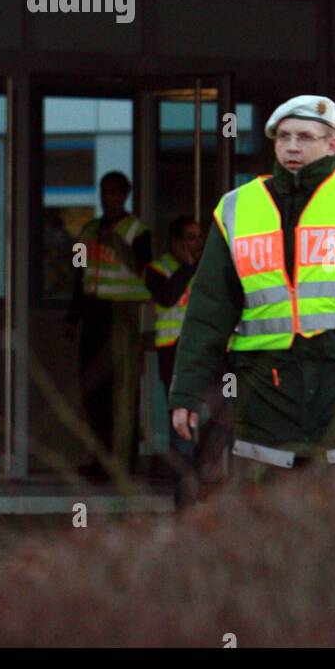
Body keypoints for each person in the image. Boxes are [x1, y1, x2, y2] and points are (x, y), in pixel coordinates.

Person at [170, 95, 335, 484]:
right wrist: (186, 394)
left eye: (306, 137)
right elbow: (208, 312)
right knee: (270, 524)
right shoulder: (235, 209)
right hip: (265, 397)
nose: (292, 146)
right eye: (284, 136)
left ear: (332, 145)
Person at [66, 172, 152, 480]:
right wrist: (72, 317)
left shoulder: (137, 231)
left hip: (122, 315)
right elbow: (80, 275)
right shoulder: (88, 230)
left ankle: (123, 464)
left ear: (125, 195)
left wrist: (115, 241)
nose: (109, 198)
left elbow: (144, 270)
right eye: (105, 192)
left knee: (122, 392)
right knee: (94, 393)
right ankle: (101, 460)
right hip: (92, 314)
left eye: (115, 192)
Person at [144, 215, 212, 504]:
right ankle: (185, 495)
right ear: (175, 241)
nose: (196, 243)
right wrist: (187, 267)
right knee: (181, 420)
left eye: (199, 237)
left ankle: (202, 479)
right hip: (173, 353)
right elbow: (167, 297)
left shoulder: (207, 268)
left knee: (215, 417)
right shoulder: (158, 269)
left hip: (205, 352)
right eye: (190, 237)